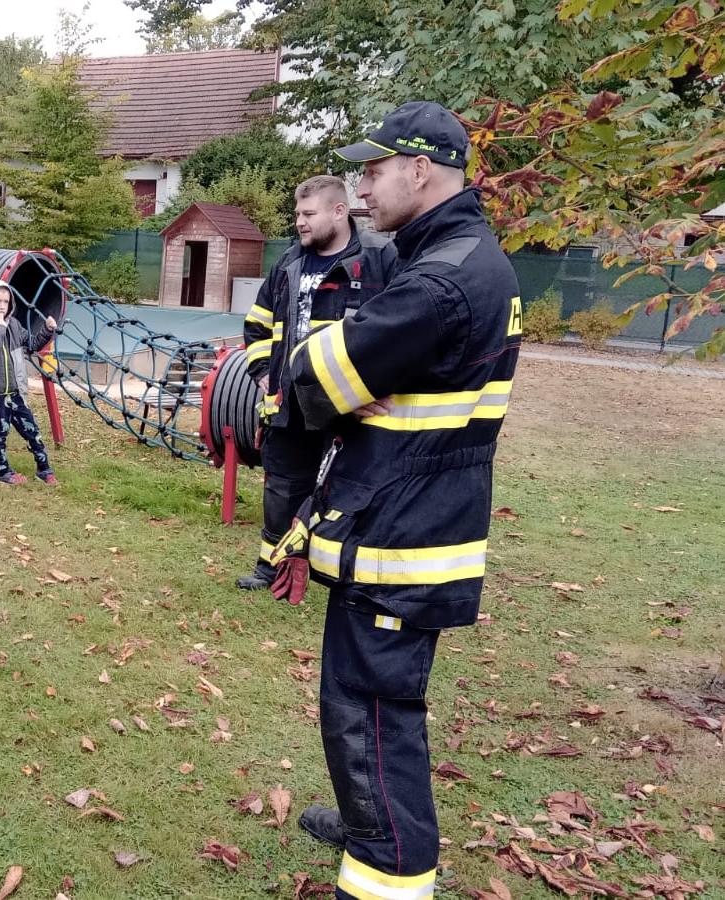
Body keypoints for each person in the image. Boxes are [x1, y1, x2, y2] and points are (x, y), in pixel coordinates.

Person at [272, 101, 522, 900]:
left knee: (373, 714)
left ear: (421, 170)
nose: (361, 189)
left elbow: (309, 376)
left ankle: (388, 871)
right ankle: (367, 820)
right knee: (357, 703)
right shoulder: (449, 255)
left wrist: (321, 358)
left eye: (373, 172)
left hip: (402, 540)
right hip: (398, 518)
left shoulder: (442, 280)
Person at [236, 176, 396, 590]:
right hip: (288, 405)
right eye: (297, 214)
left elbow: (397, 333)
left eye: (308, 214)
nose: (300, 223)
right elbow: (256, 325)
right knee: (282, 488)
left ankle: (336, 572)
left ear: (339, 211)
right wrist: (264, 377)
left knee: (347, 491)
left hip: (348, 408)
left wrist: (367, 388)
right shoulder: (288, 264)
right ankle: (270, 567)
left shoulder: (381, 260)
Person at [0, 279, 59, 485]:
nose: (2, 306)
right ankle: (3, 472)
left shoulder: (15, 326)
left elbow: (33, 344)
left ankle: (44, 470)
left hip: (15, 393)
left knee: (32, 431)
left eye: (6, 302)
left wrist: (47, 330)